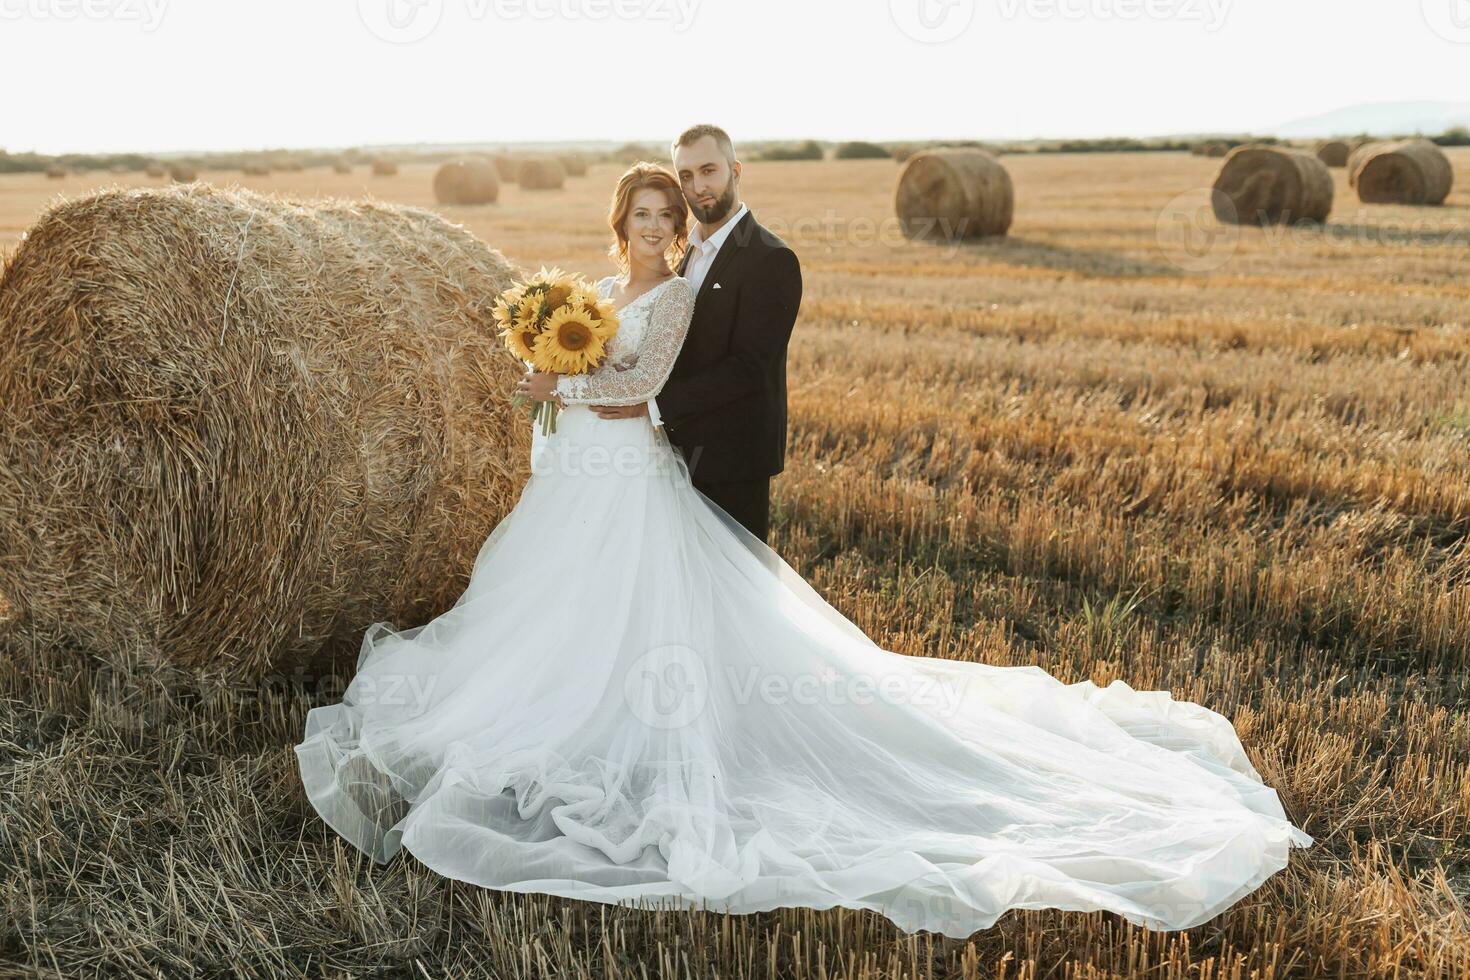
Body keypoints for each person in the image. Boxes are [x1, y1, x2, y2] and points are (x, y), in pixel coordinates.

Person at [294, 156, 1312, 941]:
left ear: (677, 225)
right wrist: (547, 366)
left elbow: (641, 388)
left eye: (665, 216)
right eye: (640, 215)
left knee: (626, 620)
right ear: (620, 222)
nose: (653, 227)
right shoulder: (602, 284)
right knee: (549, 612)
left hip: (626, 480)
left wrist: (558, 386)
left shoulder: (680, 292)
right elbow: (587, 362)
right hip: (575, 481)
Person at [572, 124, 800, 544]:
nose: (698, 186)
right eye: (687, 176)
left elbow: (749, 368)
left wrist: (652, 404)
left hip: (731, 457)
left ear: (736, 170)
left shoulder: (770, 258)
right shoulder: (687, 252)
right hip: (671, 451)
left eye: (708, 170)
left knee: (733, 589)